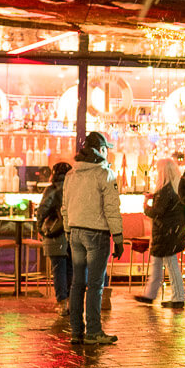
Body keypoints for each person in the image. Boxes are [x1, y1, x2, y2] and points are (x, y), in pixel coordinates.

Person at [62, 131, 124, 345]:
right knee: (95, 284)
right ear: (100, 150)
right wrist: (118, 236)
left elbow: (65, 207)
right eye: (106, 149)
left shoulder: (72, 174)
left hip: (75, 232)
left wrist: (68, 230)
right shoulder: (104, 174)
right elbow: (112, 209)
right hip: (96, 234)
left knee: (78, 283)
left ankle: (76, 331)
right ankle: (93, 331)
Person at [134, 158, 185, 309]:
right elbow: (169, 205)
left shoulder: (165, 190)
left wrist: (145, 207)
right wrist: (154, 197)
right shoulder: (174, 188)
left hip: (165, 234)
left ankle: (176, 297)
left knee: (168, 264)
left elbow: (158, 211)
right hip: (171, 233)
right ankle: (152, 295)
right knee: (162, 264)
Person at [37, 162, 72, 316]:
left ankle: (62, 303)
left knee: (59, 270)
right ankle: (72, 302)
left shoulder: (51, 189)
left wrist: (40, 227)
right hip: (73, 234)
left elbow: (43, 210)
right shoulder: (75, 189)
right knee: (71, 270)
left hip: (56, 235)